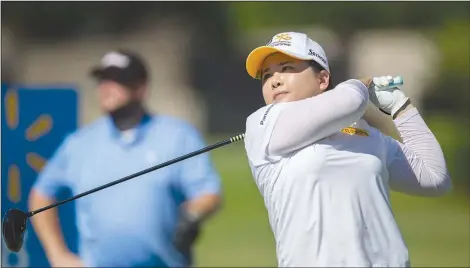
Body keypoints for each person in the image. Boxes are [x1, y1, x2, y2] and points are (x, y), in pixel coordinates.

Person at [243, 32, 452, 267]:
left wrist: (401, 107)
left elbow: (435, 178)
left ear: (322, 80)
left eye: (287, 68)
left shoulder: (369, 137)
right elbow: (350, 101)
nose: (275, 80)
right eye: (267, 75)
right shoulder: (262, 124)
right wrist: (359, 83)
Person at [28, 49, 222, 267]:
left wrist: (192, 215)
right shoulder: (79, 144)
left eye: (117, 81)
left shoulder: (177, 135)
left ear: (141, 88)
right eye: (102, 81)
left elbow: (208, 193)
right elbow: (41, 195)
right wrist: (57, 255)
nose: (106, 88)